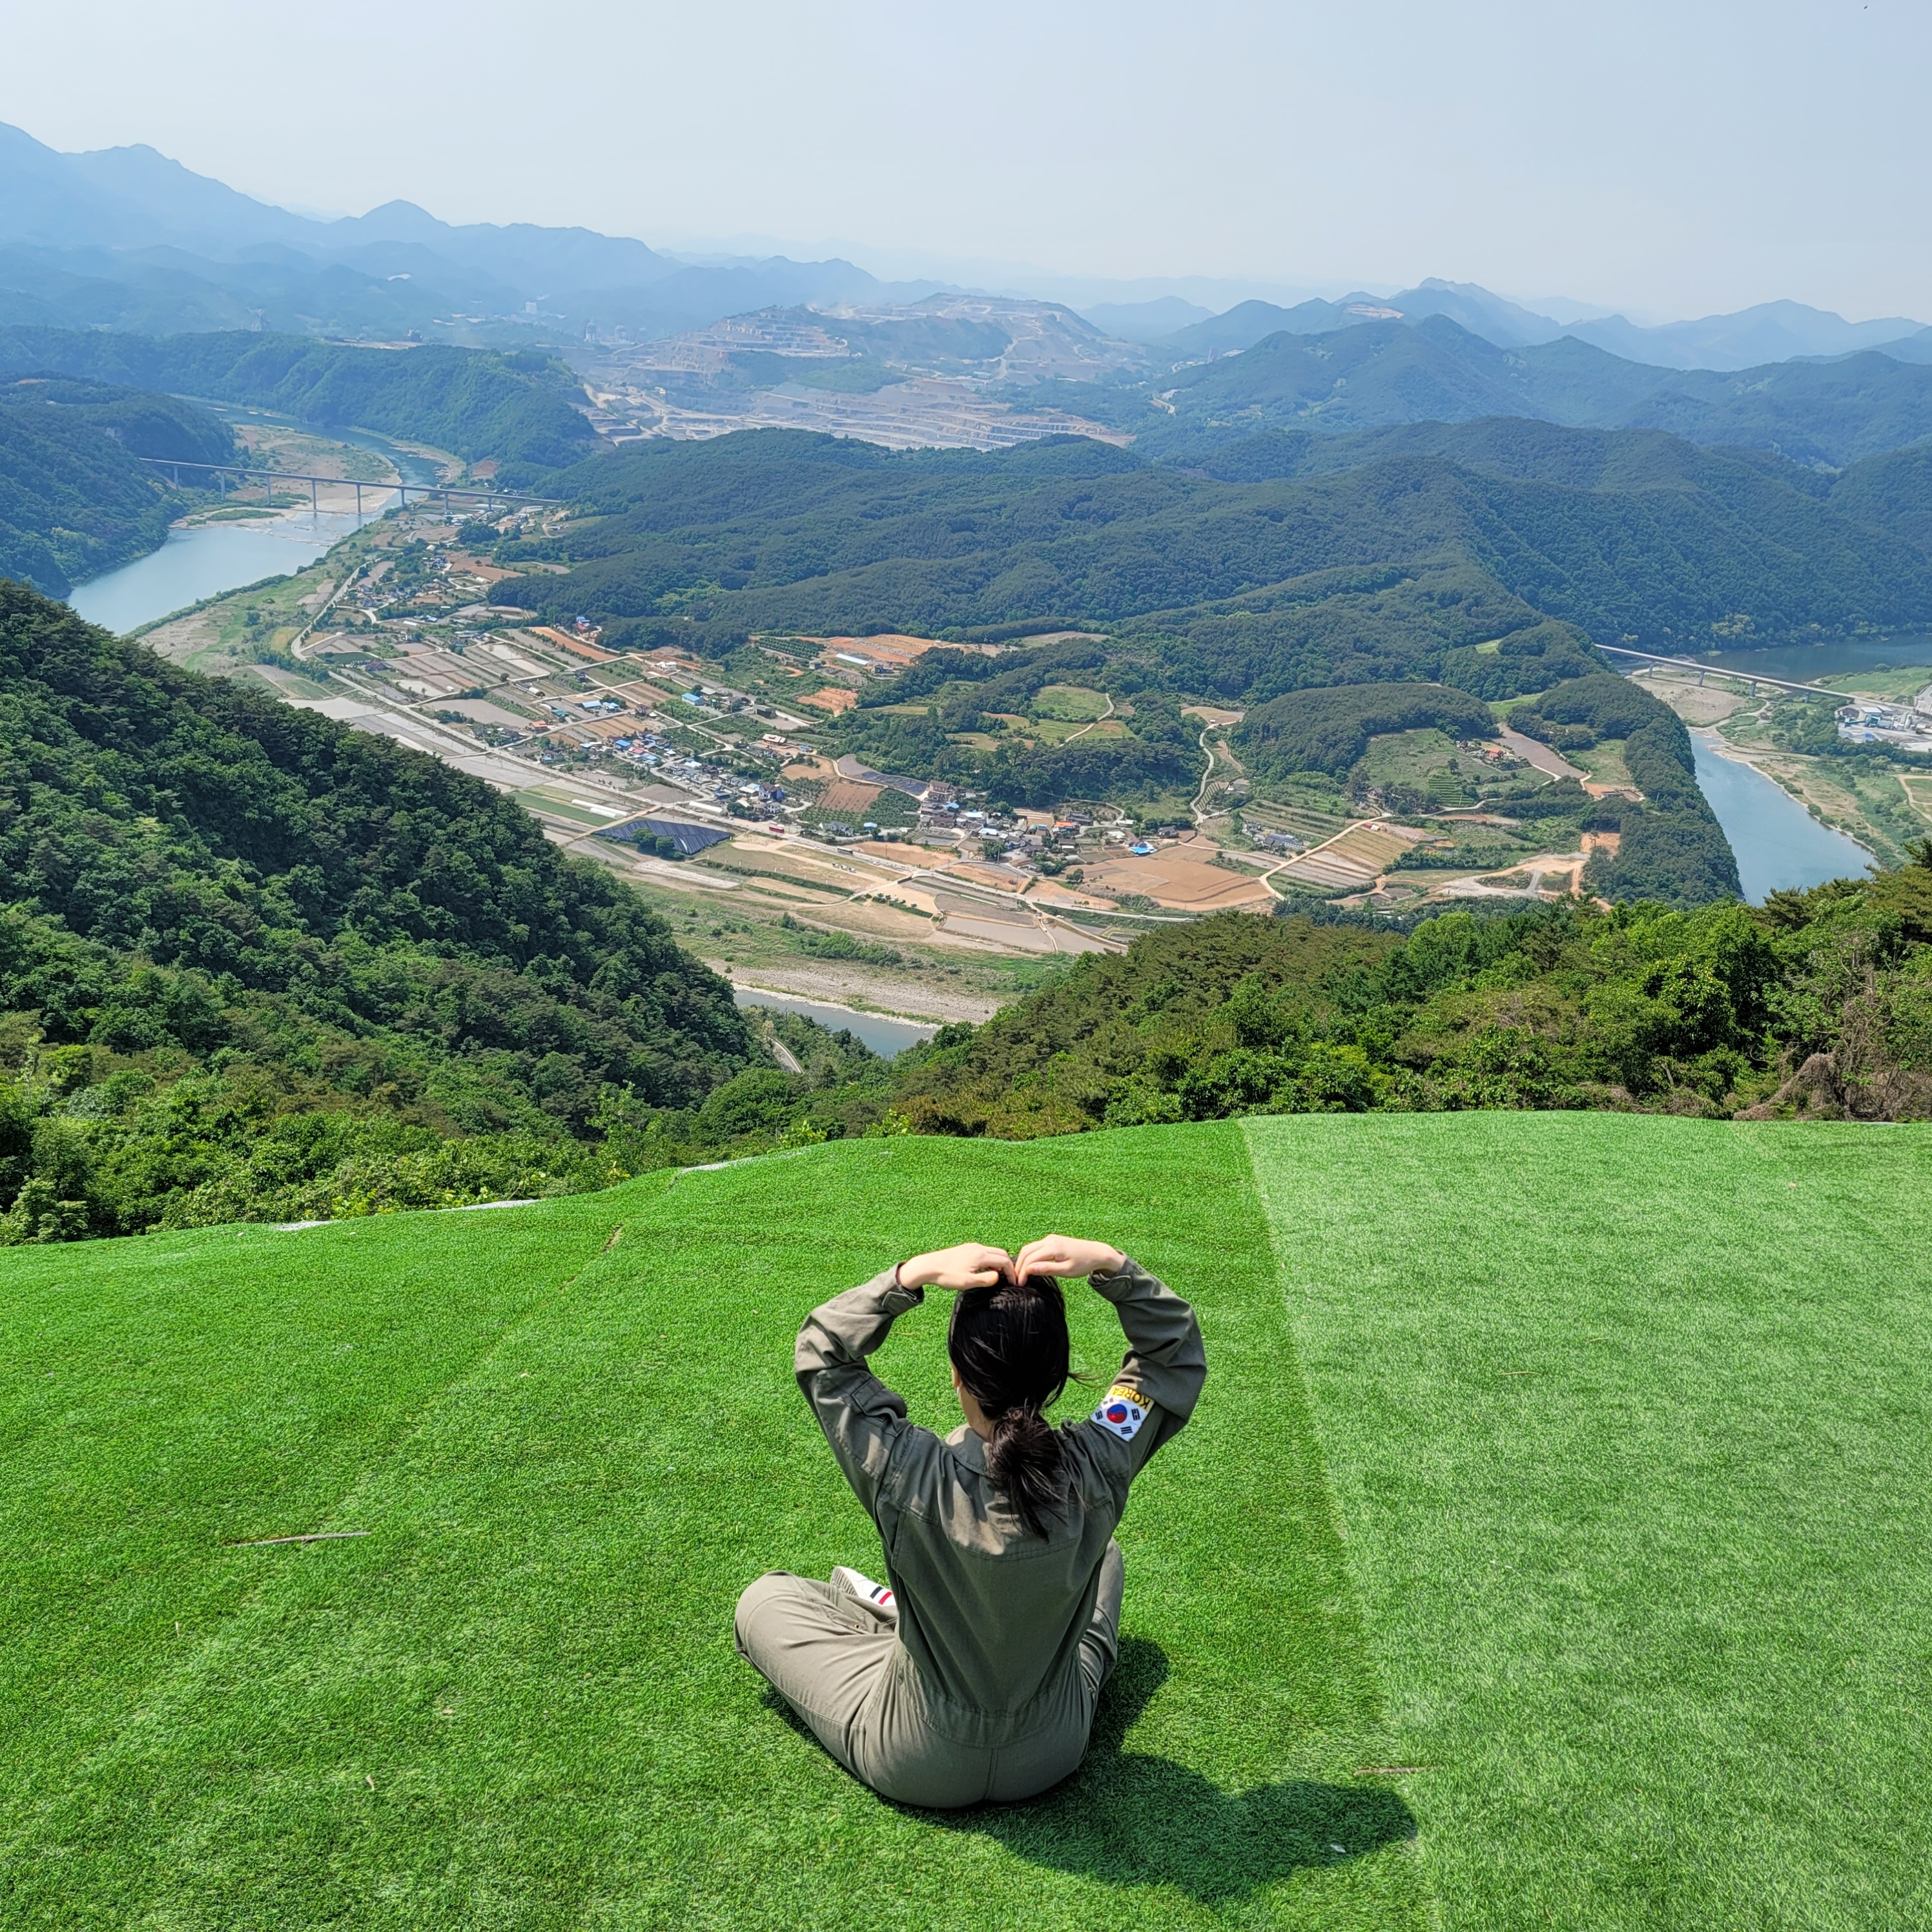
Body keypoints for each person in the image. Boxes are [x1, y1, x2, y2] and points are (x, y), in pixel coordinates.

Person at [734, 1233, 1206, 1809]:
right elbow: (1170, 1356)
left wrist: (912, 1275)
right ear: (1056, 1377)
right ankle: (904, 1614)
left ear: (957, 1373)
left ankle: (898, 1614)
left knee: (763, 1600)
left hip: (914, 1754)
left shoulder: (907, 1470)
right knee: (1104, 1556)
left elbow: (823, 1352)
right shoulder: (1100, 1463)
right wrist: (1113, 1266)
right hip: (1053, 1750)